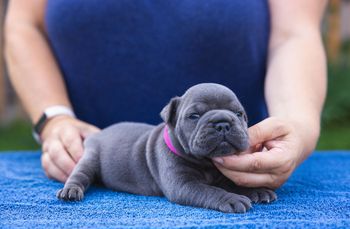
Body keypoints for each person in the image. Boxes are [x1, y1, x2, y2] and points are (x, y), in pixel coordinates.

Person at [5, 0, 328, 189]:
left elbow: (294, 35)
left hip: (236, 166)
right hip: (92, 162)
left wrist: (297, 123)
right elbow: (24, 25)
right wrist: (55, 117)